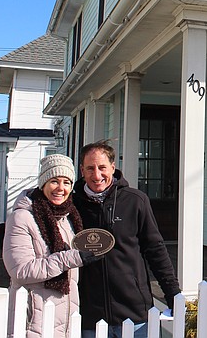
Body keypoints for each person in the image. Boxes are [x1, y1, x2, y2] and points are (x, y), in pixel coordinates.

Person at [73, 140, 181, 338]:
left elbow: (155, 249)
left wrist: (172, 293)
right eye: (90, 168)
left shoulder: (135, 200)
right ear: (82, 170)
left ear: (113, 168)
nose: (97, 175)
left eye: (102, 167)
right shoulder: (72, 206)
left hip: (134, 313)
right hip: (89, 315)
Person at [3, 154, 100, 338]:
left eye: (66, 182)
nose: (61, 188)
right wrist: (73, 258)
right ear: (43, 183)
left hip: (65, 320)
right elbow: (21, 270)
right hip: (34, 321)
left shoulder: (68, 218)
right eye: (54, 181)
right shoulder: (22, 217)